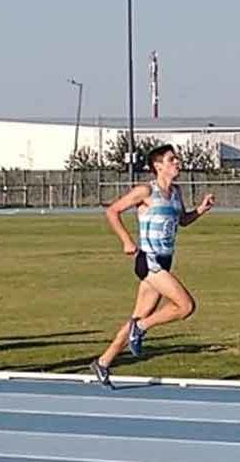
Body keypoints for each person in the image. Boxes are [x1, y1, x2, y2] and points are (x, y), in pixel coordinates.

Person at [90, 145, 214, 388]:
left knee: (139, 314)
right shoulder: (146, 191)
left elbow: (182, 221)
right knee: (186, 306)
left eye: (176, 158)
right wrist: (126, 241)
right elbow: (113, 211)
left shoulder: (176, 193)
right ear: (158, 166)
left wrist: (200, 210)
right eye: (171, 159)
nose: (177, 162)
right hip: (148, 260)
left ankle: (103, 362)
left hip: (165, 260)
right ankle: (141, 328)